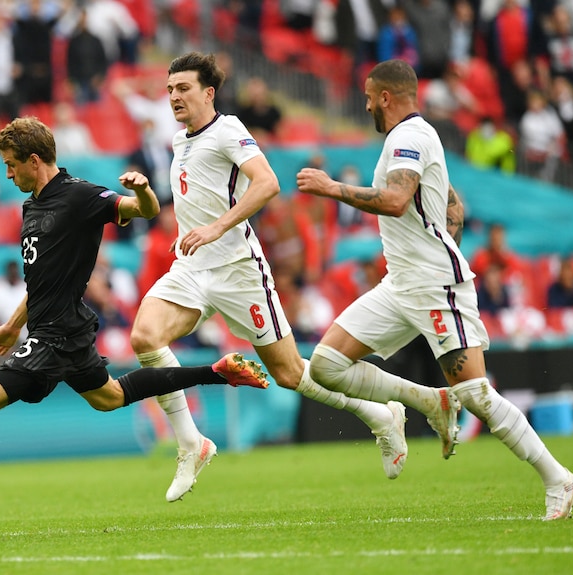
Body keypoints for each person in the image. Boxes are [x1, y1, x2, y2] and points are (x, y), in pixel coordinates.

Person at [0, 116, 269, 525]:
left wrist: (142, 193)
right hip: (55, 329)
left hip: (56, 336)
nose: (7, 172)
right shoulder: (32, 205)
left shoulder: (79, 196)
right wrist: (16, 323)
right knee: (109, 397)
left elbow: (145, 210)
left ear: (35, 160)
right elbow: (42, 279)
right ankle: (218, 372)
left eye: (11, 164)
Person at [295, 58, 573, 521]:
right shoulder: (414, 137)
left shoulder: (408, 137)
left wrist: (331, 187)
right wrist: (444, 241)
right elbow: (454, 203)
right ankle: (428, 401)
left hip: (433, 286)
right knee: (327, 366)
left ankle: (559, 479)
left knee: (476, 394)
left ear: (386, 97)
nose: (366, 104)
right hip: (402, 283)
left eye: (369, 97)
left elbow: (394, 200)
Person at [128, 52, 411, 504]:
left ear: (208, 92)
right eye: (169, 90)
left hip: (239, 269)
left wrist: (216, 227)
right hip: (191, 267)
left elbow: (267, 183)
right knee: (145, 337)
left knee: (289, 371)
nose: (175, 97)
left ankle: (380, 416)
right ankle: (191, 444)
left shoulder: (229, 129)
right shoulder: (180, 142)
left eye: (183, 88)